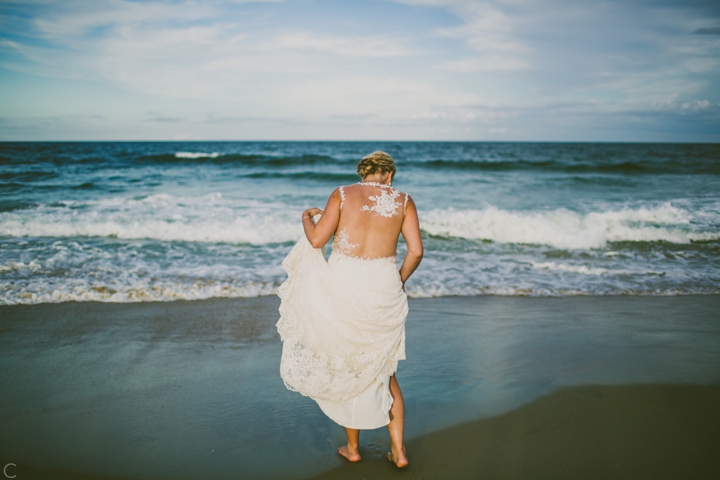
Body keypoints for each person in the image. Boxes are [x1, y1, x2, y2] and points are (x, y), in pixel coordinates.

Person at [276, 151, 423, 468]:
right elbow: (416, 251)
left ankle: (353, 448)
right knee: (386, 371)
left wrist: (306, 217)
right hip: (383, 286)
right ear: (390, 175)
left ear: (363, 173)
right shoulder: (404, 200)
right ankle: (398, 451)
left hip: (345, 286)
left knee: (347, 365)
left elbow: (317, 240)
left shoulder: (342, 193)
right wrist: (399, 280)